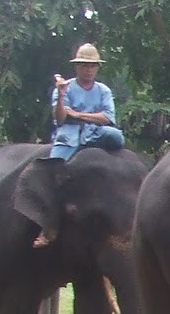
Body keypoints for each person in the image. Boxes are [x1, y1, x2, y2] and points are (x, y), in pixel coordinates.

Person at [31, 43, 127, 247]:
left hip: (96, 132)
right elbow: (60, 119)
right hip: (70, 134)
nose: (88, 69)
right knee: (53, 170)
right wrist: (62, 97)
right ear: (77, 67)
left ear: (97, 68)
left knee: (117, 137)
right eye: (84, 65)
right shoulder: (66, 88)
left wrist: (77, 114)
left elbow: (108, 118)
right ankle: (48, 225)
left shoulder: (103, 90)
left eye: (92, 66)